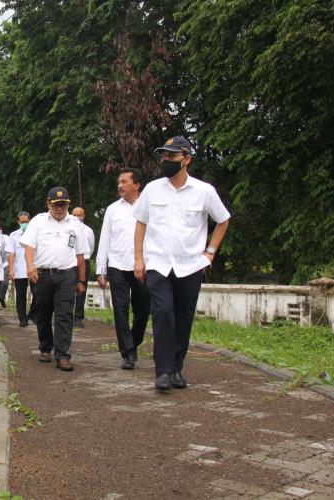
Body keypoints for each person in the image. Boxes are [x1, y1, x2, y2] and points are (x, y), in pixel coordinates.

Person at [133, 136, 230, 391]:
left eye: (172, 156)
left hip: (190, 265)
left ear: (186, 159)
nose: (166, 160)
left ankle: (176, 368)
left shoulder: (204, 191)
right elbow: (140, 224)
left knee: (183, 317)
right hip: (158, 263)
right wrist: (138, 259)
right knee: (163, 312)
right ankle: (163, 371)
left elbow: (223, 220)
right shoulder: (153, 189)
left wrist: (210, 253)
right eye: (164, 155)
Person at [22, 187, 88, 371]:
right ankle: (45, 347)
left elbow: (81, 255)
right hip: (42, 274)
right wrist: (30, 266)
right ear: (48, 204)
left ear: (68, 204)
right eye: (56, 204)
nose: (60, 208)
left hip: (67, 274)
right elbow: (29, 247)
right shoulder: (38, 222)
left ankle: (62, 355)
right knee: (42, 312)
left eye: (63, 204)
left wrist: (81, 281)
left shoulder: (75, 224)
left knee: (65, 314)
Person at [96, 167, 150, 370]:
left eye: (124, 182)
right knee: (120, 308)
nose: (120, 185)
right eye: (119, 182)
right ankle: (126, 351)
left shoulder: (149, 206)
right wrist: (101, 269)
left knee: (143, 309)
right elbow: (105, 239)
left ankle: (134, 341)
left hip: (142, 264)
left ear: (136, 185)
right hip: (117, 264)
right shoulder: (112, 209)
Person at [70, 206, 95, 328]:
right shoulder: (67, 228)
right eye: (74, 214)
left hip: (83, 262)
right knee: (67, 289)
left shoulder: (88, 231)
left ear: (83, 216)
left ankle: (78, 317)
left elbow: (91, 248)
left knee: (81, 289)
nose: (76, 217)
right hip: (69, 261)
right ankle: (66, 315)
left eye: (79, 215)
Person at [8, 211, 33, 327]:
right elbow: (11, 254)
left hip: (34, 269)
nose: (24, 224)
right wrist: (11, 269)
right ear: (18, 222)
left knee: (38, 294)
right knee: (21, 296)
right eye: (22, 222)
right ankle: (22, 318)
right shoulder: (13, 236)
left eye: (26, 221)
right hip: (20, 269)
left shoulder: (35, 233)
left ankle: (33, 315)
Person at [0, 220, 10, 309]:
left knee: (4, 283)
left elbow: (10, 251)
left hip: (5, 263)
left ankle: (1, 297)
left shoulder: (6, 238)